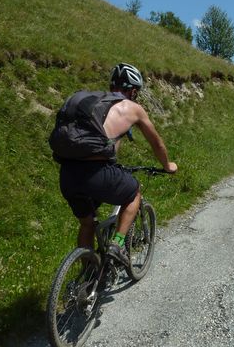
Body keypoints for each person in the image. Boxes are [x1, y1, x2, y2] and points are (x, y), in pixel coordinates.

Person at [57, 63, 177, 265]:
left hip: (67, 173)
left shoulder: (95, 104)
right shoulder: (133, 108)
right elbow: (157, 144)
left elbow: (107, 146)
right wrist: (168, 166)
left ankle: (87, 280)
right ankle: (118, 243)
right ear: (133, 90)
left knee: (87, 224)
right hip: (96, 174)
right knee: (134, 193)